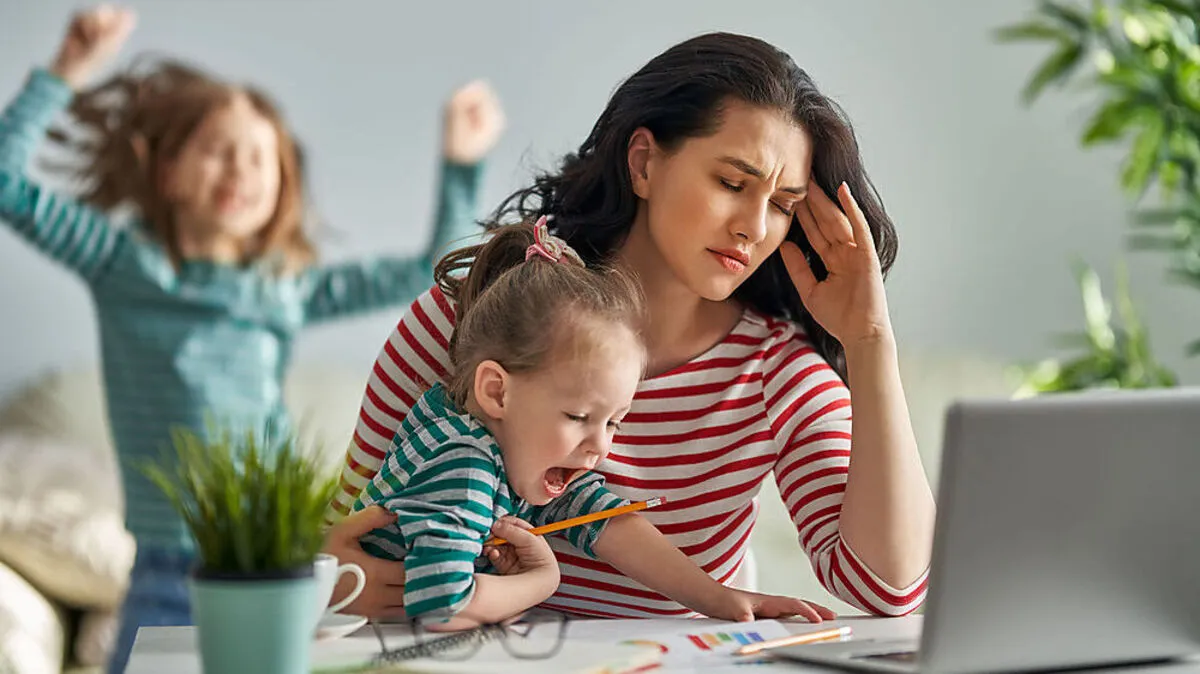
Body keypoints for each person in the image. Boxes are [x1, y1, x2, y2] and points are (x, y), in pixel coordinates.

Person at [324, 31, 935, 620]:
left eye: (782, 205)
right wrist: (335, 583)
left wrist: (870, 342)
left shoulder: (776, 373)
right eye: (731, 183)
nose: (754, 226)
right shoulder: (475, 314)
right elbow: (335, 533)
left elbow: (888, 590)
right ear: (643, 163)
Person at [0, 5, 504, 670]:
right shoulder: (121, 263)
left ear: (281, 187)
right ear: (169, 172)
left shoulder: (281, 288)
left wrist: (460, 163)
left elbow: (429, 273)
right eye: (218, 150)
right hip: (165, 571)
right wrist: (66, 71)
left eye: (260, 156)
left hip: (278, 562)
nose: (240, 168)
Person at [353, 220, 833, 629]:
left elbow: (604, 517)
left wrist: (720, 599)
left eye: (614, 423)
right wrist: (542, 582)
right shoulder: (465, 467)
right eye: (579, 417)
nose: (599, 447)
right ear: (496, 391)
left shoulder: (506, 445)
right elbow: (441, 605)